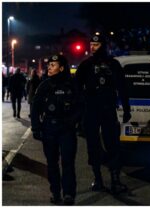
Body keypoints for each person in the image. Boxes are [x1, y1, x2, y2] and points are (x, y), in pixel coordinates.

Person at [76, 34, 131, 194]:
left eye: (97, 44)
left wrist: (126, 109)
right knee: (93, 145)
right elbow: (77, 90)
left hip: (108, 109)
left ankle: (115, 179)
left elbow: (122, 88)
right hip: (91, 110)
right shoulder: (85, 65)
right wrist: (79, 113)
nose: (93, 47)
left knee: (112, 144)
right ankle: (98, 179)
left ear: (103, 45)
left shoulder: (113, 64)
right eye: (91, 44)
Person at [31, 54, 81, 205]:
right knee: (52, 163)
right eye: (49, 65)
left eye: (53, 65)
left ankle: (68, 194)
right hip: (49, 128)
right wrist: (36, 127)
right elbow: (35, 107)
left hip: (67, 129)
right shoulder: (44, 85)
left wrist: (74, 122)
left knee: (67, 162)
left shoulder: (72, 84)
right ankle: (55, 192)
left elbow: (81, 106)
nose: (49, 68)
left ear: (61, 68)